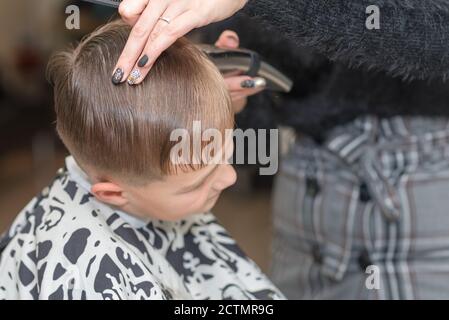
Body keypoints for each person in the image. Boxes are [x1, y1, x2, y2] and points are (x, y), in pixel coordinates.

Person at [114, 0, 449, 299]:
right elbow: (258, 140)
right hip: (304, 192)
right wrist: (224, 102)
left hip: (419, 193)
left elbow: (437, 34)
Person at [0, 20, 285, 300]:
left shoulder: (143, 187)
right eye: (198, 182)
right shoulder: (84, 276)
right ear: (113, 194)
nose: (230, 177)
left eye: (227, 150)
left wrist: (213, 101)